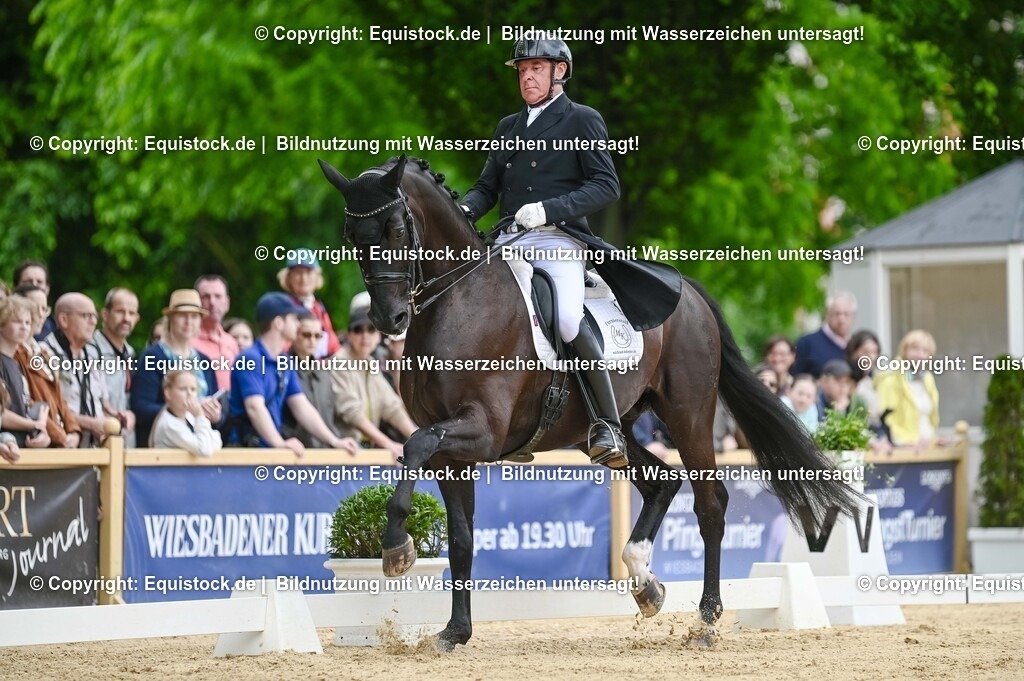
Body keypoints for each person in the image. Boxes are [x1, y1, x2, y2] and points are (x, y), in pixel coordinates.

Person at [459, 38, 684, 467]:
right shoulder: (508, 126)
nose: (526, 76)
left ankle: (607, 425)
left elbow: (606, 185)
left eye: (536, 68)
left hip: (557, 240)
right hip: (510, 240)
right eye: (522, 69)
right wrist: (465, 209)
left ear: (559, 71)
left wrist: (548, 210)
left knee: (564, 317)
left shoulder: (582, 120)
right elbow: (487, 186)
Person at [229, 292, 358, 455]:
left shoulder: (284, 361)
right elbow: (254, 407)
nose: (298, 325)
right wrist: (279, 443)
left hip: (269, 451)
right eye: (294, 319)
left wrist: (334, 441)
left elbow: (302, 406)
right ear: (278, 323)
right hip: (243, 454)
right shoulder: (250, 358)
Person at [329, 295, 416, 459]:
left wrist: (417, 437)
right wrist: (388, 444)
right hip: (344, 451)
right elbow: (352, 413)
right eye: (358, 330)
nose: (365, 336)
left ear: (378, 337)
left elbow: (391, 407)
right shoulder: (338, 362)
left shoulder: (369, 363)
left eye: (370, 330)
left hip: (365, 450)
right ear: (348, 335)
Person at [132, 290, 222, 447]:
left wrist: (217, 415)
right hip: (165, 447)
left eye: (194, 316)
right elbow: (141, 408)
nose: (188, 322)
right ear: (170, 319)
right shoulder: (153, 356)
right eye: (182, 316)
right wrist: (190, 411)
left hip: (201, 446)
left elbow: (217, 403)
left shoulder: (205, 361)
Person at [12, 286, 82, 448]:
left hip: (58, 440)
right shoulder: (14, 353)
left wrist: (74, 431)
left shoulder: (43, 352)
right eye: (35, 307)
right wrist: (62, 436)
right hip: (38, 441)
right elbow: (30, 402)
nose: (41, 314)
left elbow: (60, 399)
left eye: (45, 308)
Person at [40, 293, 112, 446]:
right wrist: (89, 423)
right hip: (62, 448)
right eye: (86, 316)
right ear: (63, 319)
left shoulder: (93, 353)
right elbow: (47, 409)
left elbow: (102, 403)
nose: (93, 322)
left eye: (95, 316)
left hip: (95, 451)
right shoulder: (44, 354)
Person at [874, 330, 942, 449]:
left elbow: (929, 417)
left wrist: (934, 440)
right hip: (902, 448)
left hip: (927, 446)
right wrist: (907, 441)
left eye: (925, 351)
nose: (920, 355)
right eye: (915, 349)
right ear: (904, 350)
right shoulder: (891, 379)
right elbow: (885, 418)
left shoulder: (927, 379)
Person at [282, 314, 340, 448]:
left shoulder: (324, 374)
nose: (312, 341)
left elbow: (330, 417)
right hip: (295, 452)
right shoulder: (282, 370)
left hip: (327, 451)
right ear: (295, 334)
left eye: (317, 336)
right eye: (306, 335)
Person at [0, 296, 51, 448]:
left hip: (22, 446)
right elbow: (2, 413)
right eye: (16, 321)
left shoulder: (16, 364)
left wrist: (40, 431)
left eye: (28, 322)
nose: (24, 327)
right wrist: (33, 424)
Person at [93, 287, 139, 445]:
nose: (126, 318)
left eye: (132, 313)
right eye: (120, 311)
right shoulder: (89, 350)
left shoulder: (131, 353)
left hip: (126, 439)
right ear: (105, 314)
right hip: (97, 438)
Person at [276, 250, 341, 358]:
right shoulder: (283, 308)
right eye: (298, 272)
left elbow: (333, 344)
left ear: (317, 276)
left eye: (308, 272)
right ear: (288, 277)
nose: (304, 278)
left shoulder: (319, 307)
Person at [151, 371, 223, 457]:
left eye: (193, 389)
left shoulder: (190, 417)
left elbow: (217, 442)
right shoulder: (169, 425)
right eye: (183, 389)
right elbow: (204, 450)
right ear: (168, 393)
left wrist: (199, 418)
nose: (189, 394)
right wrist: (200, 416)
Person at [792, 292, 857, 379]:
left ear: (853, 317)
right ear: (827, 314)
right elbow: (795, 377)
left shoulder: (858, 346)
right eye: (837, 314)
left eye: (846, 314)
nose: (841, 319)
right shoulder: (807, 343)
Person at [192, 275, 240, 392]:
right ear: (196, 302)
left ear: (227, 303)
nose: (212, 302)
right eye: (206, 297)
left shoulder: (231, 342)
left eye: (218, 296)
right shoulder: (188, 341)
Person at [13, 260, 56, 341]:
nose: (34, 285)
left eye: (39, 282)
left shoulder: (54, 326)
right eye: (28, 282)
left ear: (47, 288)